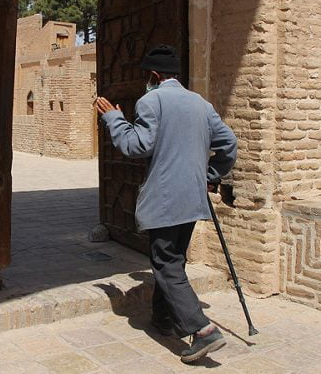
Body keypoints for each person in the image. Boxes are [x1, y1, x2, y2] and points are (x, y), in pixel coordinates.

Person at [94, 44, 238, 363]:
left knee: (166, 263)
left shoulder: (152, 100)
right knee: (171, 261)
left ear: (155, 76)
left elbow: (136, 146)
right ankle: (164, 319)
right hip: (191, 200)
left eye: (147, 76)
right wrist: (209, 174)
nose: (146, 81)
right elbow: (229, 143)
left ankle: (202, 331)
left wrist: (114, 119)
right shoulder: (200, 103)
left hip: (165, 200)